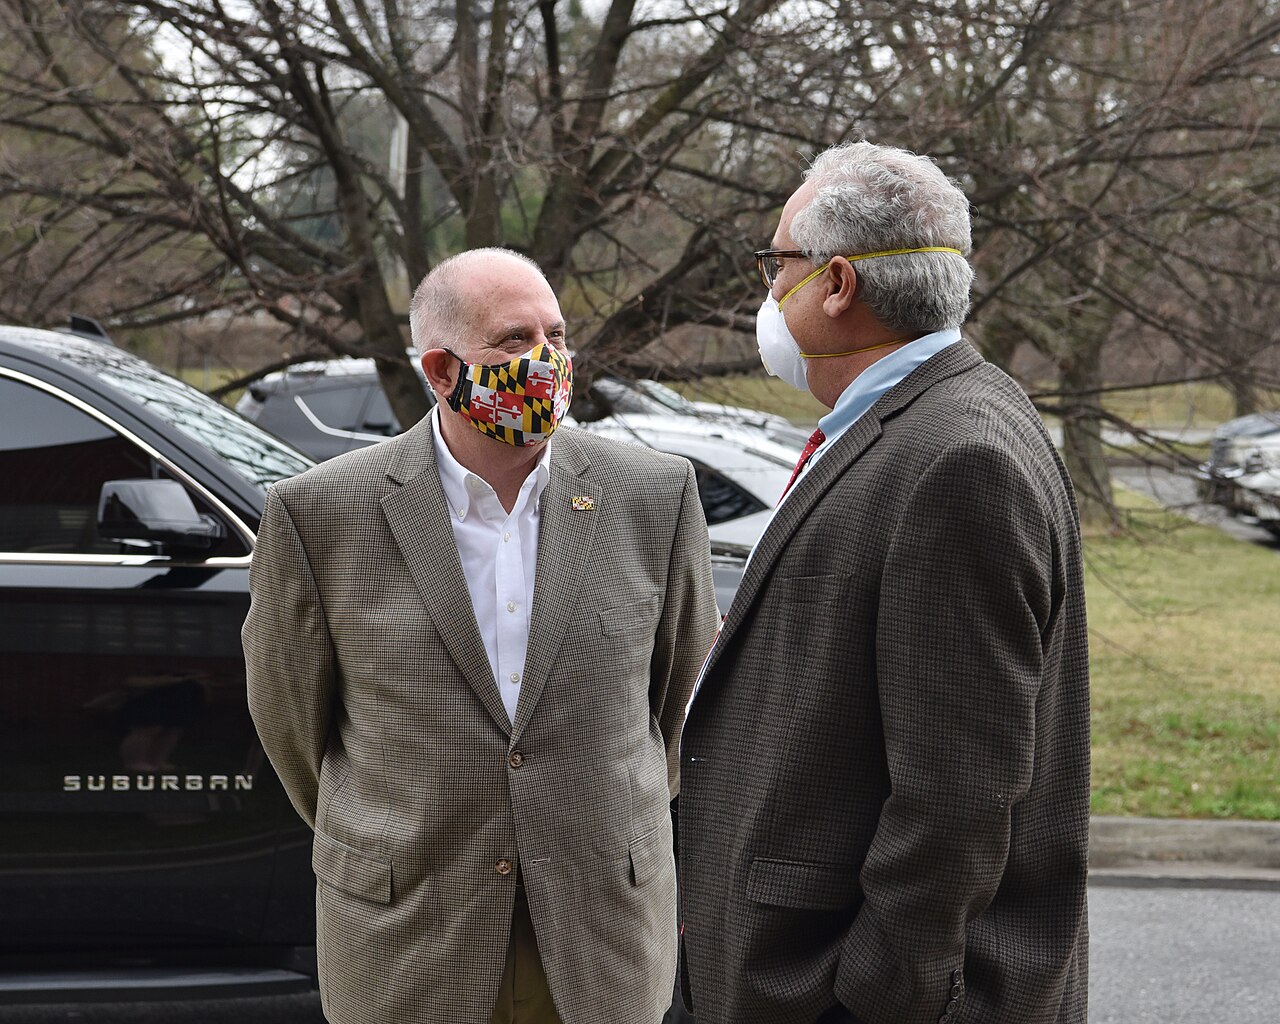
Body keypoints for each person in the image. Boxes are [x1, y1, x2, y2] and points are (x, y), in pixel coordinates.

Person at [243, 247, 720, 1024]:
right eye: (514, 341)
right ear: (439, 369)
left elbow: (676, 713)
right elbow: (296, 733)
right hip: (411, 938)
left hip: (599, 937)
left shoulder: (654, 497)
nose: (548, 361)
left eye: (557, 336)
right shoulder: (320, 515)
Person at [678, 142, 1090, 1024]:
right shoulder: (917, 424)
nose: (766, 291)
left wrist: (873, 992)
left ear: (835, 286)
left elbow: (959, 798)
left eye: (774, 264)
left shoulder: (957, 456)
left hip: (844, 993)